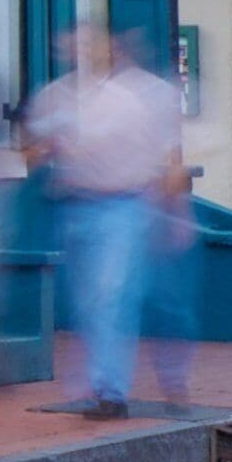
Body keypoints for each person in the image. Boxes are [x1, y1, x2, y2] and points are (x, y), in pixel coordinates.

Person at [25, 27, 192, 420]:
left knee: (111, 295)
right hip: (75, 204)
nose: (81, 51)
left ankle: (111, 390)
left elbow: (167, 157)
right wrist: (47, 148)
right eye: (74, 44)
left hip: (126, 205)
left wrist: (174, 211)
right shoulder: (55, 96)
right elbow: (30, 153)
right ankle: (105, 381)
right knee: (90, 301)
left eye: (91, 43)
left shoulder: (134, 97)